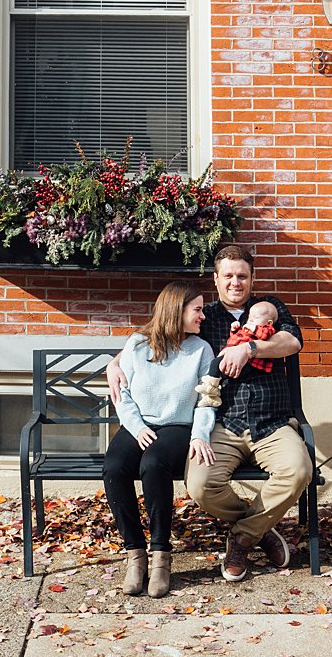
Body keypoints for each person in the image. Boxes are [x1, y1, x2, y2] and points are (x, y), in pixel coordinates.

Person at [108, 243, 312, 582]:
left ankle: (243, 537)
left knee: (299, 469)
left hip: (271, 421)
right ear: (216, 279)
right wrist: (115, 363)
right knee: (201, 485)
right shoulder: (204, 317)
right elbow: (159, 334)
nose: (236, 282)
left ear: (252, 278)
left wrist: (250, 348)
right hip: (222, 423)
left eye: (243, 276)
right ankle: (259, 528)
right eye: (228, 275)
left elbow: (292, 343)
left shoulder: (272, 308)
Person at [103, 281, 217, 598]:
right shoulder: (138, 345)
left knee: (154, 464)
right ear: (175, 311)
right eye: (197, 310)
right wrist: (137, 427)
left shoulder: (201, 350)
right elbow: (121, 395)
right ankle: (135, 555)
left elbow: (207, 399)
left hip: (177, 427)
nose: (202, 317)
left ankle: (161, 556)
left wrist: (199, 435)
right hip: (139, 425)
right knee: (114, 468)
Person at [225, 299, 279, 373]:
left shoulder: (266, 329)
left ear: (269, 323)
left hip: (249, 362)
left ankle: (213, 380)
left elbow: (264, 335)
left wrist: (253, 328)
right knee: (216, 364)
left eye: (255, 318)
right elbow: (236, 338)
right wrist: (234, 330)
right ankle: (210, 381)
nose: (250, 320)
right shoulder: (247, 330)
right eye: (249, 317)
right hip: (230, 353)